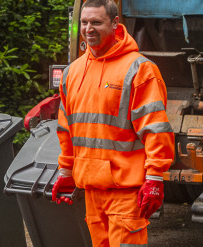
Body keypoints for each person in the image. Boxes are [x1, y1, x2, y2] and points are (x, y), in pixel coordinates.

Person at [50, 0, 175, 246]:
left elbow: (155, 128)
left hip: (126, 191)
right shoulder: (72, 72)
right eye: (84, 23)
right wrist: (65, 171)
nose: (89, 29)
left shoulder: (139, 70)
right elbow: (66, 129)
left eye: (97, 22)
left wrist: (155, 178)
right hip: (92, 190)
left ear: (115, 24)